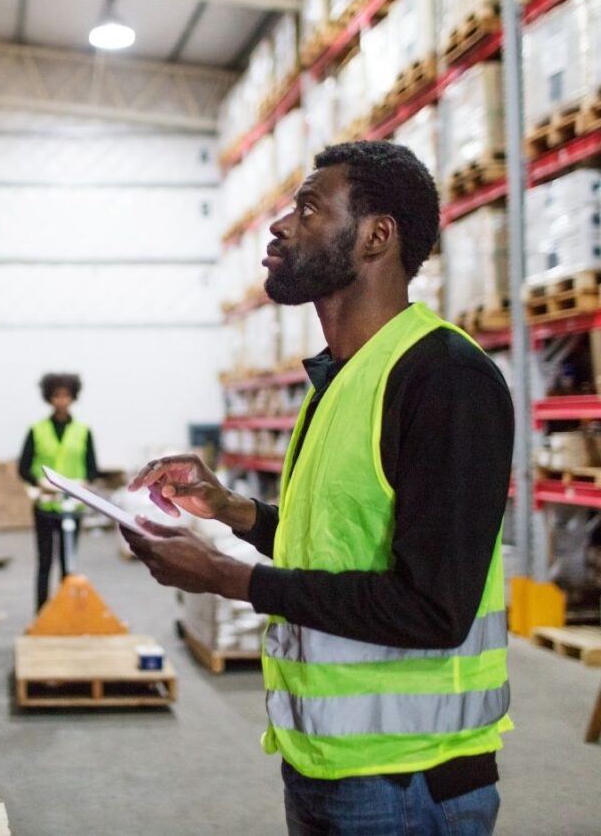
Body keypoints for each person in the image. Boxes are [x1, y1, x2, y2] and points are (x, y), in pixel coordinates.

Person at [123, 141, 513, 836]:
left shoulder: (446, 379)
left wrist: (229, 579)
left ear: (376, 236)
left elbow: (433, 608)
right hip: (327, 765)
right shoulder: (340, 381)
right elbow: (333, 542)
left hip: (411, 781)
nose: (279, 226)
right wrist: (231, 511)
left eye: (307, 208)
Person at [19, 373, 100, 611]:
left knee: (69, 563)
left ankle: (66, 611)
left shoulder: (83, 431)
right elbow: (23, 467)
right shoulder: (37, 430)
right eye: (57, 395)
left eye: (66, 395)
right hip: (45, 505)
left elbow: (93, 468)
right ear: (49, 398)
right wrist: (39, 484)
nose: (61, 400)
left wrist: (83, 483)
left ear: (73, 397)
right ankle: (41, 612)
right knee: (45, 562)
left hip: (72, 507)